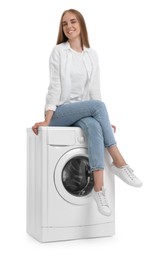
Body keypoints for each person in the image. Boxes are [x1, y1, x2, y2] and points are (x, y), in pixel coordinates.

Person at [32, 9, 142, 217]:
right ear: (62, 29)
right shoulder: (59, 51)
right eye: (64, 24)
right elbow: (54, 86)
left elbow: (95, 92)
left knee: (93, 124)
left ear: (81, 24)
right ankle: (119, 162)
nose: (69, 26)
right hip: (61, 111)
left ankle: (99, 189)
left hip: (85, 113)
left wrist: (103, 122)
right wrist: (48, 118)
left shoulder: (92, 55)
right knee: (98, 107)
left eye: (73, 22)